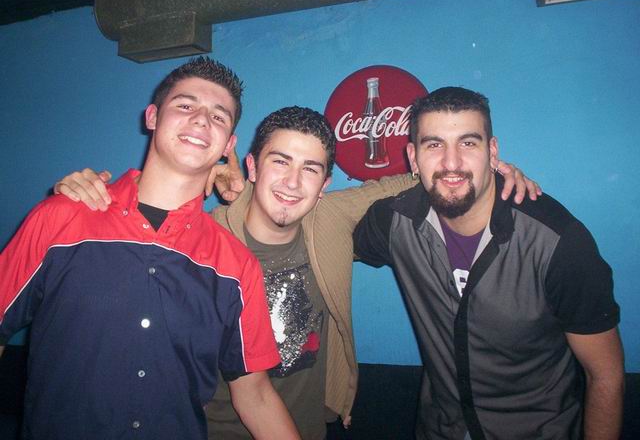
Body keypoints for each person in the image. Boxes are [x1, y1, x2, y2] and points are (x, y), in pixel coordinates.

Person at [53, 106, 540, 439]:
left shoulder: (330, 220)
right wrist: (83, 192)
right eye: (280, 161)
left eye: (310, 169)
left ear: (325, 183)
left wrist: (493, 172)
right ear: (252, 166)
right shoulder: (202, 237)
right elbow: (134, 218)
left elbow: (418, 178)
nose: (292, 181)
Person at [0, 57, 300, 440]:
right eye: (185, 106)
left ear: (228, 144)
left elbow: (255, 395)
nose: (201, 120)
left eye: (218, 116)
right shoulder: (60, 218)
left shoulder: (236, 264)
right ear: (153, 117)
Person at [353, 86, 625, 440]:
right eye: (434, 145)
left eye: (468, 143)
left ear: (492, 152)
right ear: (413, 157)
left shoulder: (559, 243)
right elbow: (325, 229)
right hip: (441, 429)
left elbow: (606, 376)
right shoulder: (394, 222)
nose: (452, 162)